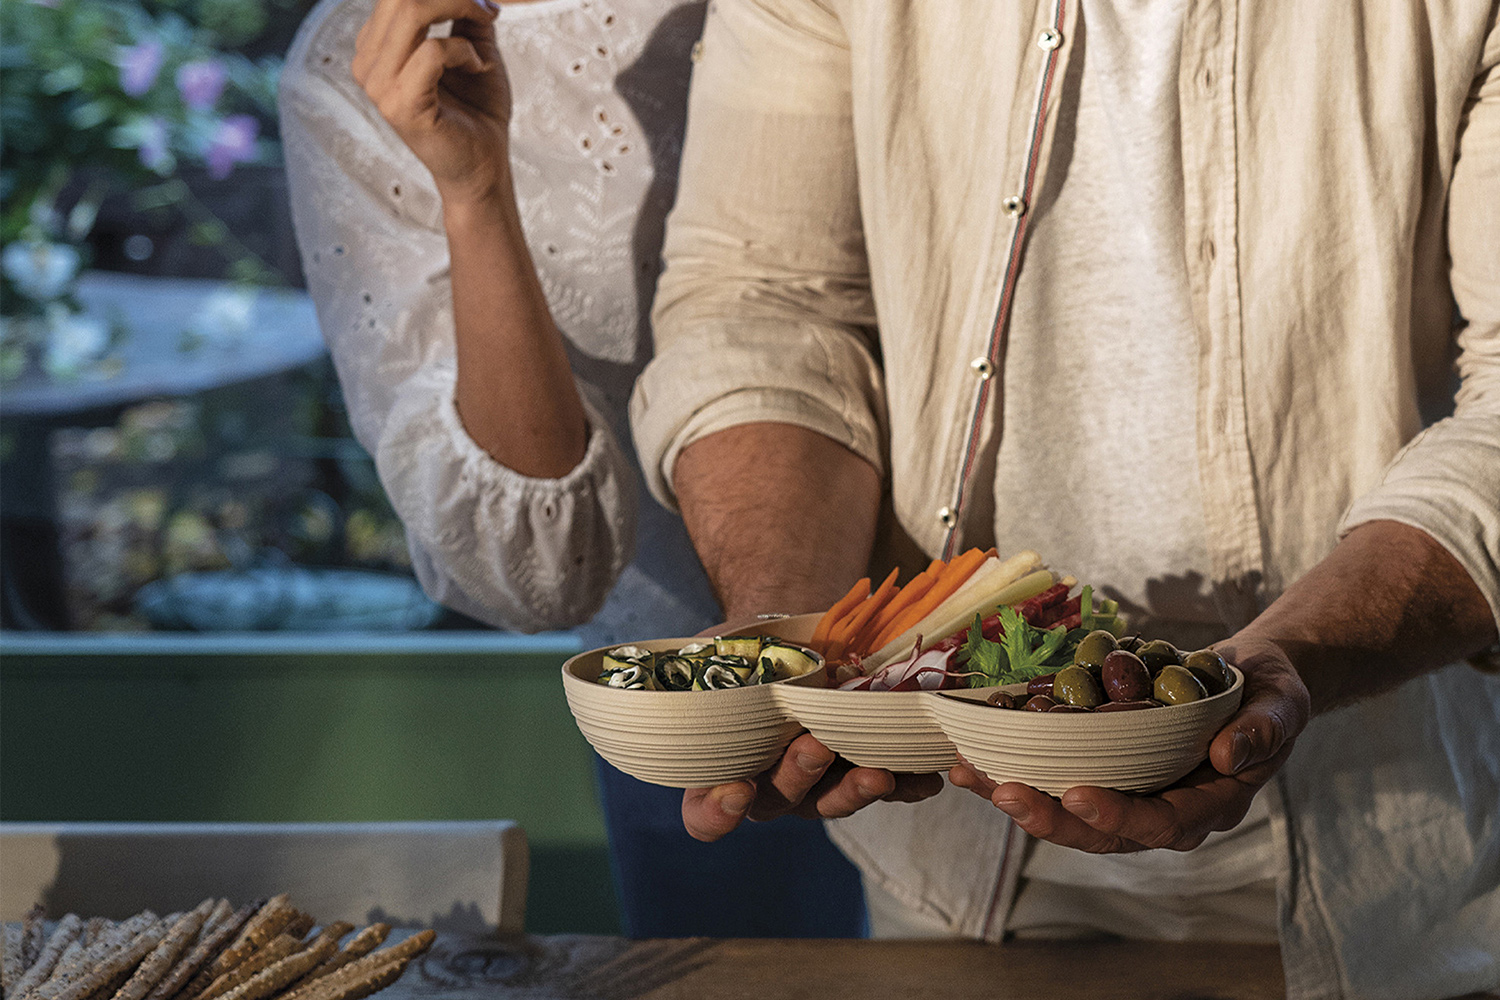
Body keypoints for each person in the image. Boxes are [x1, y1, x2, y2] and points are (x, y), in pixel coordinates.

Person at [630, 1, 1500, 995]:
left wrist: (1290, 659)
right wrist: (799, 638)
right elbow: (763, 299)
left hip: (1396, 846)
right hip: (950, 848)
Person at [277, 0, 865, 935]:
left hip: (985, 613)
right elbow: (549, 574)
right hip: (703, 691)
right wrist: (475, 190)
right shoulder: (363, 63)